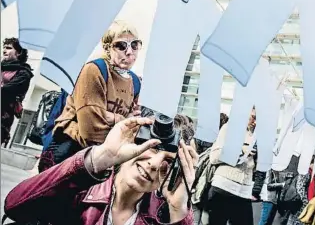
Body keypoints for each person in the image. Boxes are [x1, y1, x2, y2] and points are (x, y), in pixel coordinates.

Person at [4, 116, 198, 225]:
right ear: (133, 139)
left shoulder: (162, 217)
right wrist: (101, 156)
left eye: (168, 160)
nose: (155, 163)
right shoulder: (80, 187)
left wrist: (179, 212)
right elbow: (14, 206)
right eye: (151, 148)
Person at [38, 21, 142, 171]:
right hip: (69, 151)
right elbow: (91, 131)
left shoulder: (135, 82)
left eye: (134, 45)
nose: (129, 51)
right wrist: (120, 120)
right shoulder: (95, 70)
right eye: (121, 45)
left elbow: (131, 129)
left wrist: (108, 117)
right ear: (108, 48)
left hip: (102, 157)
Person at [206, 107, 257, 225]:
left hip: (244, 191)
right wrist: (241, 150)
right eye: (253, 117)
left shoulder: (255, 134)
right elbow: (214, 157)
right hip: (224, 187)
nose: (255, 122)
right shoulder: (230, 128)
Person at [1, 37, 33, 147]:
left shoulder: (23, 73)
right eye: (4, 47)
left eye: (9, 48)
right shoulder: (2, 68)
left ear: (19, 53)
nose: (4, 50)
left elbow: (5, 91)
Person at [286, 157, 315, 225]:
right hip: (300, 203)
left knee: (293, 220)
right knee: (296, 221)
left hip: (297, 201)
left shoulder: (306, 171)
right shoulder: (305, 172)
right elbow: (300, 187)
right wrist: (305, 201)